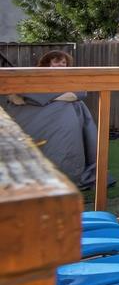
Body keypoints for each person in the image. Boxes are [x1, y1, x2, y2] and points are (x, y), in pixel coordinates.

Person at [3, 49, 99, 186]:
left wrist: (44, 99)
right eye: (56, 62)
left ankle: (65, 170)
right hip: (34, 116)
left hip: (60, 117)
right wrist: (33, 99)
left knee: (76, 106)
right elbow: (18, 95)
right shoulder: (35, 77)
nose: (60, 65)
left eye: (63, 63)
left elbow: (79, 93)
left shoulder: (71, 77)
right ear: (48, 63)